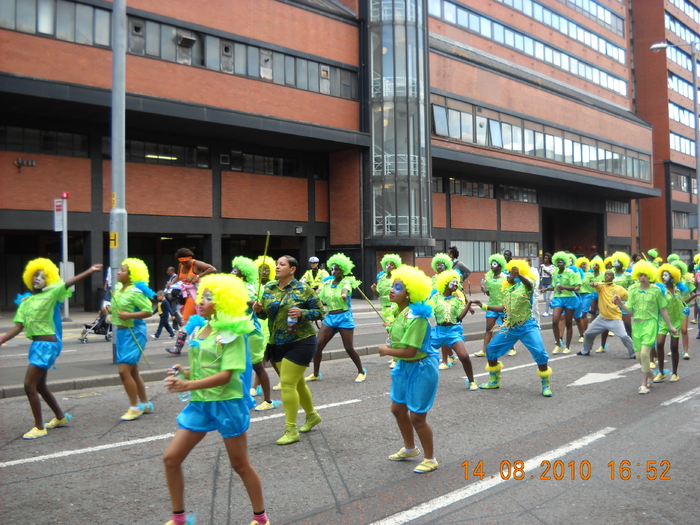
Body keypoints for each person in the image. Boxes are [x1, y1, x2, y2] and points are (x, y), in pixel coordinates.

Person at [163, 273, 270, 525]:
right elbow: (206, 368)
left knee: (240, 465)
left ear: (224, 302)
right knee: (171, 459)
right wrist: (184, 371)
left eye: (209, 298)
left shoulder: (232, 333)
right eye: (202, 295)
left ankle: (261, 519)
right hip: (201, 403)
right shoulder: (200, 328)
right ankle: (179, 519)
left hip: (227, 403)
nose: (201, 301)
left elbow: (225, 376)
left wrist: (186, 384)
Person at [0, 259, 102, 439]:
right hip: (36, 345)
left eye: (43, 276)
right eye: (35, 275)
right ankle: (60, 417)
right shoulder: (26, 302)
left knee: (28, 385)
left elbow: (68, 283)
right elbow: (18, 327)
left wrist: (90, 271)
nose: (38, 278)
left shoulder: (52, 294)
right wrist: (2, 339)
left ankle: (39, 427)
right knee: (40, 386)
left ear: (49, 280)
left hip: (47, 345)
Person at [252, 256, 325, 445]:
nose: (277, 267)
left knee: (286, 383)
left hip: (302, 341)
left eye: (281, 264)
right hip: (276, 342)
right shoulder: (268, 288)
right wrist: (258, 310)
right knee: (297, 383)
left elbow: (320, 312)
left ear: (292, 269)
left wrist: (303, 313)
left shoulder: (303, 288)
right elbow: (265, 314)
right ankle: (312, 416)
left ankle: (291, 430)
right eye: (276, 264)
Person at [376, 265, 439, 474]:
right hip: (404, 367)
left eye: (398, 287)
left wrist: (387, 351)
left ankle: (430, 458)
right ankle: (410, 448)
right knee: (397, 409)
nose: (392, 290)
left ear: (410, 292)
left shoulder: (418, 318)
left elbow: (411, 351)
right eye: (393, 286)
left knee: (417, 417)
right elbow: (401, 339)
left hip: (421, 367)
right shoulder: (400, 311)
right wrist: (391, 327)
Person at [472, 259, 553, 397]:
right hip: (511, 326)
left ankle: (546, 385)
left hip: (527, 325)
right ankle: (494, 381)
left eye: (513, 273)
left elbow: (528, 284)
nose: (511, 275)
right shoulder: (507, 289)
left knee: (540, 352)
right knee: (491, 349)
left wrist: (519, 275)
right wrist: (484, 306)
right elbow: (504, 308)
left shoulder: (528, 286)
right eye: (510, 273)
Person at [616, 261, 677, 395]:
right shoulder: (633, 290)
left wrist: (671, 327)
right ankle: (650, 374)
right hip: (637, 325)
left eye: (645, 275)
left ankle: (644, 384)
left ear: (649, 275)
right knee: (638, 356)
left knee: (644, 354)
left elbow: (663, 310)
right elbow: (630, 311)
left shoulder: (656, 291)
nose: (642, 277)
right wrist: (620, 303)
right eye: (640, 275)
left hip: (650, 324)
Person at [307, 253, 366, 382]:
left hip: (344, 317)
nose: (334, 271)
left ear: (343, 270)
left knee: (349, 348)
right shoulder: (327, 283)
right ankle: (316, 374)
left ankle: (361, 371)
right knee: (317, 346)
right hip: (330, 318)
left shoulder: (346, 282)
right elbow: (318, 297)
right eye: (332, 268)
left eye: (337, 269)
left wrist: (344, 296)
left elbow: (345, 290)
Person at [232, 255, 279, 411]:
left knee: (258, 367)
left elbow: (249, 300)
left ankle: (268, 401)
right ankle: (239, 399)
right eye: (232, 269)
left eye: (236, 270)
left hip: (251, 333)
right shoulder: (230, 288)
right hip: (234, 332)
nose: (232, 272)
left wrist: (255, 305)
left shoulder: (247, 288)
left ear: (244, 273)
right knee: (234, 367)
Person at [111, 258, 156, 421]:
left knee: (124, 372)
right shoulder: (118, 290)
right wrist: (108, 309)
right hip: (122, 333)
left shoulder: (136, 291)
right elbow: (118, 308)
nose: (119, 272)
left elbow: (148, 311)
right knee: (133, 372)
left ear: (131, 275)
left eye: (123, 270)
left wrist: (129, 315)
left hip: (134, 332)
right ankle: (145, 403)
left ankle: (134, 407)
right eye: (119, 269)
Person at [430, 269, 477, 390]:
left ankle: (471, 381)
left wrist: (468, 304)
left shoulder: (457, 300)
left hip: (453, 331)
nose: (456, 284)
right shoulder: (435, 298)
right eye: (453, 282)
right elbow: (426, 311)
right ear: (445, 283)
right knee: (420, 354)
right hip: (438, 331)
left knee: (464, 356)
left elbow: (459, 317)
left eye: (457, 282)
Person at [576, 270, 634, 358]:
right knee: (588, 334)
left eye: (609, 275)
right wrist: (594, 284)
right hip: (602, 318)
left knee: (624, 336)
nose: (607, 276)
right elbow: (596, 285)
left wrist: (622, 302)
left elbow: (630, 297)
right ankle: (585, 350)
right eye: (606, 275)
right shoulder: (601, 286)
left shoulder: (619, 288)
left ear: (613, 278)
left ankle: (633, 353)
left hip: (615, 318)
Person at [654, 263, 696, 383]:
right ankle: (661, 372)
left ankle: (674, 373)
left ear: (673, 277)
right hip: (663, 321)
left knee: (674, 347)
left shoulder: (678, 290)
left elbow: (683, 303)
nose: (663, 277)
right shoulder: (660, 289)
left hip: (676, 320)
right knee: (660, 344)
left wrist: (695, 296)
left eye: (666, 275)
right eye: (662, 275)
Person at [545, 251, 582, 354]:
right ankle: (558, 344)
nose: (559, 263)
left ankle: (568, 346)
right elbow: (555, 287)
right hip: (558, 298)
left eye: (561, 261)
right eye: (558, 261)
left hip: (570, 298)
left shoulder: (570, 272)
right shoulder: (555, 273)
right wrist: (547, 289)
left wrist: (564, 287)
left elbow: (576, 287)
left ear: (564, 262)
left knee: (569, 323)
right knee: (555, 321)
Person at [474, 254, 510, 357]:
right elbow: (489, 293)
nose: (492, 266)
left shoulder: (505, 277)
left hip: (503, 306)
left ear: (499, 266)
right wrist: (485, 290)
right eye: (491, 264)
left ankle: (511, 348)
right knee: (488, 328)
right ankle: (484, 350)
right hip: (491, 306)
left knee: (506, 328)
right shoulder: (488, 278)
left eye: (494, 264)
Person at [174, 248, 216, 324]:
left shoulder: (196, 263)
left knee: (186, 320)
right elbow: (178, 276)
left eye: (186, 262)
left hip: (195, 295)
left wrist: (198, 276)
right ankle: (196, 332)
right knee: (193, 319)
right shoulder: (181, 265)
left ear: (190, 259)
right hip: (184, 296)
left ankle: (185, 333)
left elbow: (212, 269)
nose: (184, 264)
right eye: (182, 262)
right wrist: (171, 283)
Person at [372, 253, 403, 322]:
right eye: (387, 265)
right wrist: (374, 290)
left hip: (396, 306)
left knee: (396, 330)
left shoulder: (399, 277)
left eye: (391, 265)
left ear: (396, 266)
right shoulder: (381, 278)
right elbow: (378, 295)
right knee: (388, 329)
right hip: (385, 308)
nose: (389, 266)